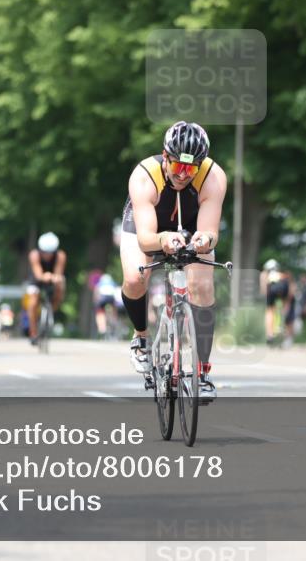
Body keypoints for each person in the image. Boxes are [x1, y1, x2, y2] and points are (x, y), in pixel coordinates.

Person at [119, 121, 227, 401]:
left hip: (192, 223)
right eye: (177, 165)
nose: (182, 175)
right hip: (149, 225)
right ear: (164, 156)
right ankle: (141, 337)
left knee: (202, 285)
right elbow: (145, 239)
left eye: (190, 169)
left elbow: (210, 232)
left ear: (200, 166)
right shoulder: (144, 175)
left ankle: (202, 372)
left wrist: (204, 240)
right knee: (134, 277)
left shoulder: (214, 177)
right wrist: (162, 239)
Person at [260, 259, 295, 347]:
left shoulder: (265, 273)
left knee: (269, 311)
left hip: (272, 288)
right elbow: (290, 289)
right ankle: (283, 330)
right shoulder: (282, 274)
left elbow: (264, 290)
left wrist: (267, 296)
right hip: (283, 286)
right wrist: (287, 302)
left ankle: (270, 334)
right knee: (285, 310)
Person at [94, 273, 121, 339]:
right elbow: (117, 291)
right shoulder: (112, 283)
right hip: (111, 298)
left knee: (99, 312)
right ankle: (114, 321)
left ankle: (102, 329)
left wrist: (95, 301)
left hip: (102, 298)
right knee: (114, 310)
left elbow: (96, 292)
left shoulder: (100, 283)